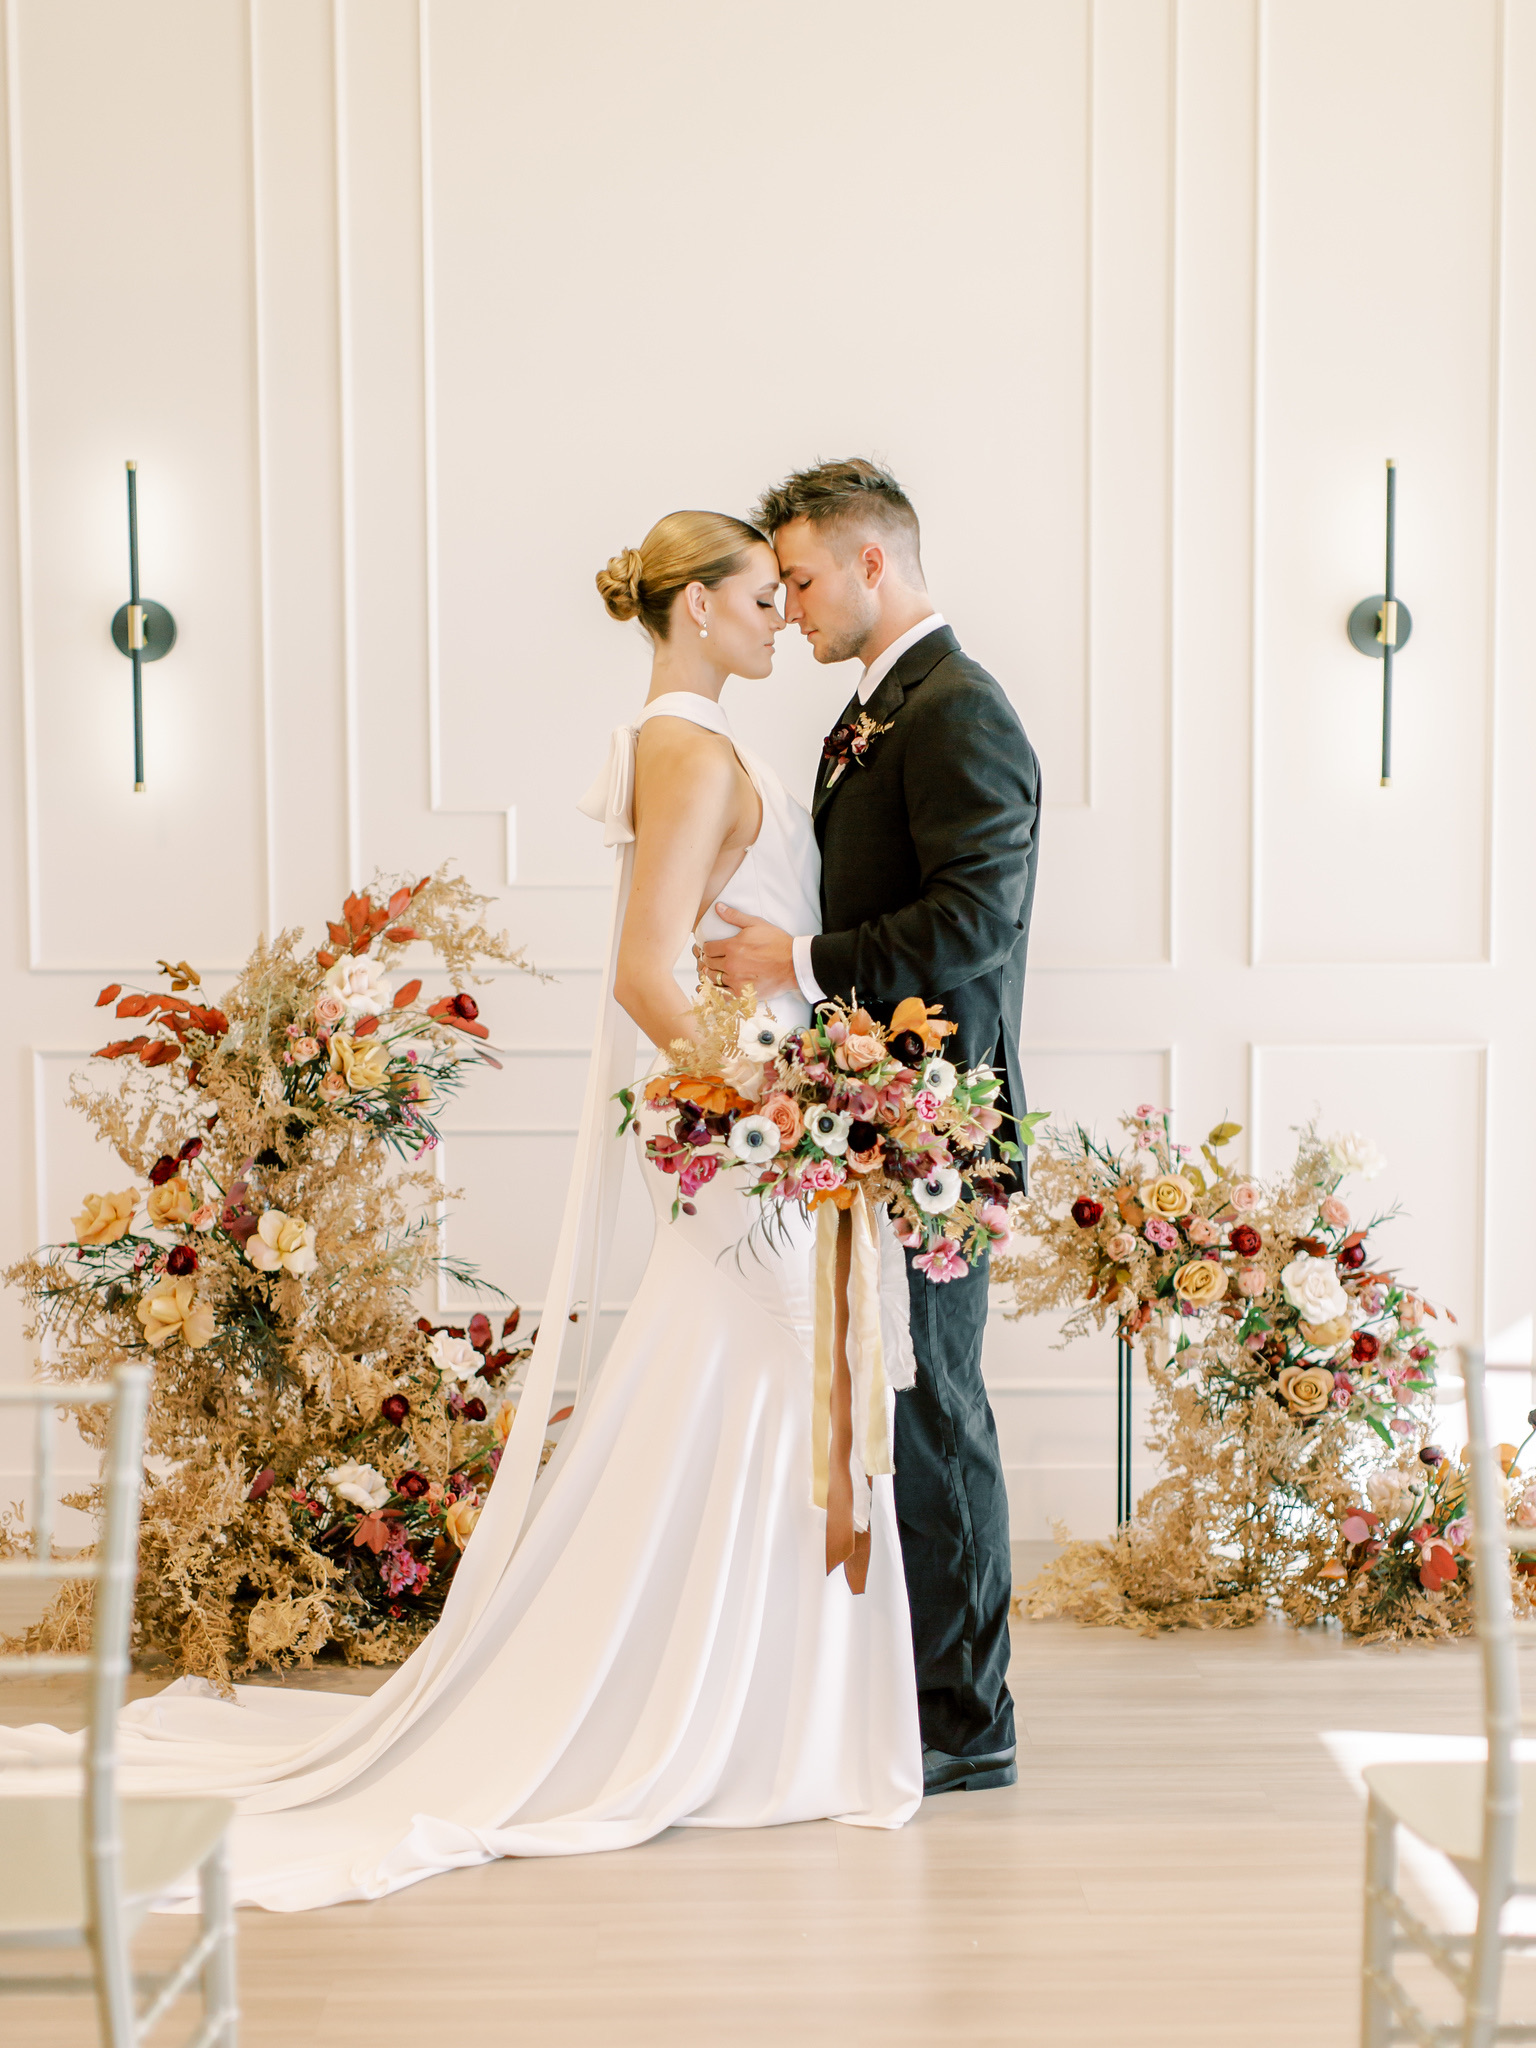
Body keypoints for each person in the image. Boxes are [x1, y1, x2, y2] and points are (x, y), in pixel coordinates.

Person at [4, 510, 921, 1910]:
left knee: (766, 1390)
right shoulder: (687, 745)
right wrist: (772, 1107)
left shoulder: (686, 738)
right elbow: (647, 970)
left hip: (752, 1110)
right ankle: (749, 1719)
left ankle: (749, 1708)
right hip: (746, 1123)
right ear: (693, 608)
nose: (777, 621)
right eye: (756, 597)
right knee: (793, 1381)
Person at [701, 459, 1041, 1796]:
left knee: (938, 1406)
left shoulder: (959, 711)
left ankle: (968, 1719)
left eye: (798, 579)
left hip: (940, 1124)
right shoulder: (880, 710)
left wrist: (795, 961)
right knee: (897, 1403)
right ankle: (917, 1689)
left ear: (872, 564)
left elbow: (971, 926)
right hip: (879, 1114)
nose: (787, 606)